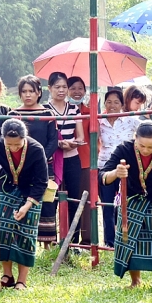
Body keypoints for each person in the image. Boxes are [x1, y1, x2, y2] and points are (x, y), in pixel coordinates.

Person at [99, 120, 152, 295]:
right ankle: (135, 280)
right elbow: (103, 175)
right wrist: (117, 173)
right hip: (132, 199)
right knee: (130, 240)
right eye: (141, 145)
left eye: (150, 147)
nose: (145, 150)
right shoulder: (123, 150)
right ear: (135, 138)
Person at [0, 119, 49, 290]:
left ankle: (22, 280)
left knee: (25, 234)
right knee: (3, 231)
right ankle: (7, 275)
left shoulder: (36, 149)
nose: (13, 148)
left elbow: (42, 182)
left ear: (24, 138)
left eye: (17, 145)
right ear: (3, 138)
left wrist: (27, 205)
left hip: (32, 192)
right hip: (6, 188)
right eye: (9, 144)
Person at [10, 75, 58, 247]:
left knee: (46, 202)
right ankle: (21, 242)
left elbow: (53, 140)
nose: (28, 95)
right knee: (20, 199)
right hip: (19, 166)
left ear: (39, 93)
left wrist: (40, 158)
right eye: (24, 91)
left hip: (45, 165)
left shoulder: (47, 114)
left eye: (32, 91)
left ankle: (47, 244)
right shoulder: (13, 114)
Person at [45, 72, 84, 244]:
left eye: (64, 87)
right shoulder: (45, 110)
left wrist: (73, 143)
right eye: (57, 87)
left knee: (74, 198)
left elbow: (81, 137)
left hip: (72, 158)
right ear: (49, 88)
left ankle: (73, 240)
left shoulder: (74, 109)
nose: (61, 90)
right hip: (52, 161)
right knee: (51, 198)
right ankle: (51, 240)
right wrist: (58, 145)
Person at [98, 89, 140, 247]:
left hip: (126, 167)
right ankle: (109, 242)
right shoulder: (99, 121)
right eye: (109, 102)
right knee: (107, 204)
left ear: (122, 104)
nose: (112, 105)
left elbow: (147, 128)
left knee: (127, 203)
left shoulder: (130, 119)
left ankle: (128, 239)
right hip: (105, 167)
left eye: (116, 102)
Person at [68, 76, 92, 247]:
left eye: (80, 88)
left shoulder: (89, 113)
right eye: (73, 88)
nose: (77, 92)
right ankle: (64, 239)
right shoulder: (58, 111)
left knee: (85, 202)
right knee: (63, 202)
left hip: (84, 161)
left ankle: (86, 241)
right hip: (63, 161)